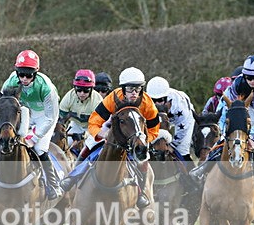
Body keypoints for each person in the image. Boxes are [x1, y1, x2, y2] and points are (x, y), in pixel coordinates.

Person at [60, 67, 160, 208]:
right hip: (111, 132)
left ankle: (141, 192)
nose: (134, 93)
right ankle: (72, 177)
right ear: (123, 89)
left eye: (138, 89)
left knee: (143, 160)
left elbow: (154, 129)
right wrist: (101, 134)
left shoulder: (148, 104)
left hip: (135, 137)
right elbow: (94, 121)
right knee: (89, 148)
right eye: (131, 89)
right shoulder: (112, 98)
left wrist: (142, 141)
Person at [189, 54, 254, 200]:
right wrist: (221, 130)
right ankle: (204, 167)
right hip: (250, 109)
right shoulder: (238, 83)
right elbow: (224, 106)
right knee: (229, 140)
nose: (252, 81)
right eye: (249, 77)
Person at [0, 49, 63, 200]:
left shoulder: (46, 87)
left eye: (29, 75)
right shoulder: (11, 81)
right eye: (21, 74)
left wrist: (34, 137)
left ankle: (53, 184)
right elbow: (1, 105)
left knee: (39, 148)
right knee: (5, 142)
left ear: (36, 72)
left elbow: (51, 117)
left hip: (44, 117)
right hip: (24, 112)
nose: (24, 78)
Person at [146, 76, 196, 170]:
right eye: (153, 100)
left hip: (182, 120)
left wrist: (172, 146)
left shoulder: (179, 105)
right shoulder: (145, 101)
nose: (156, 103)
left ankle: (191, 177)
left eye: (160, 100)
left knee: (181, 150)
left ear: (166, 98)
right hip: (163, 118)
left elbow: (183, 129)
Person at [58, 69, 103, 158]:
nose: (82, 93)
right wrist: (62, 132)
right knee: (61, 147)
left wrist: (84, 135)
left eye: (86, 90)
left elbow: (99, 125)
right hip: (75, 125)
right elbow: (61, 120)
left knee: (88, 148)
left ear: (91, 89)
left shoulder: (98, 101)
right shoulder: (68, 97)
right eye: (79, 89)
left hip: (93, 128)